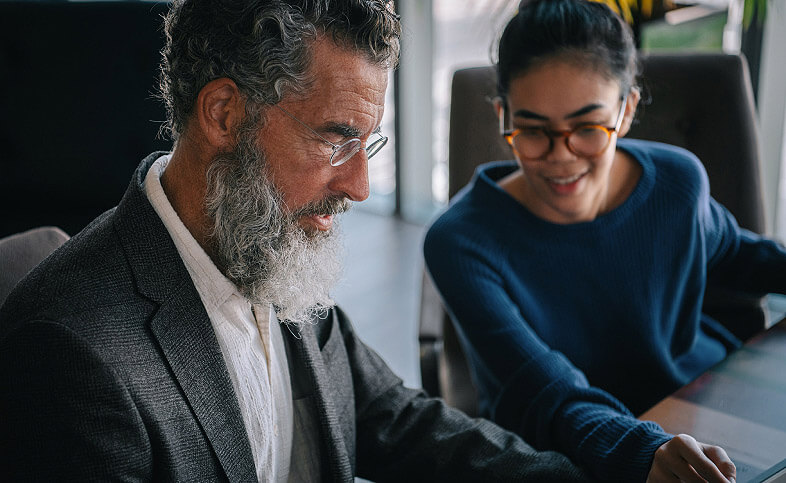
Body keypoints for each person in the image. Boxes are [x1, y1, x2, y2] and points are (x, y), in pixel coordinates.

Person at [0, 0, 593, 481]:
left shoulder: (266, 243)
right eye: (337, 140)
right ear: (225, 114)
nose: (360, 187)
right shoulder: (71, 357)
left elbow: (390, 416)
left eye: (368, 144)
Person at [424, 0, 786, 481]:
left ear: (627, 108)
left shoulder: (677, 183)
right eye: (533, 131)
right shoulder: (461, 242)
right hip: (562, 454)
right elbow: (548, 394)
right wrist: (646, 451)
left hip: (702, 407)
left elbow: (737, 255)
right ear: (501, 114)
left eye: (588, 128)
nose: (561, 157)